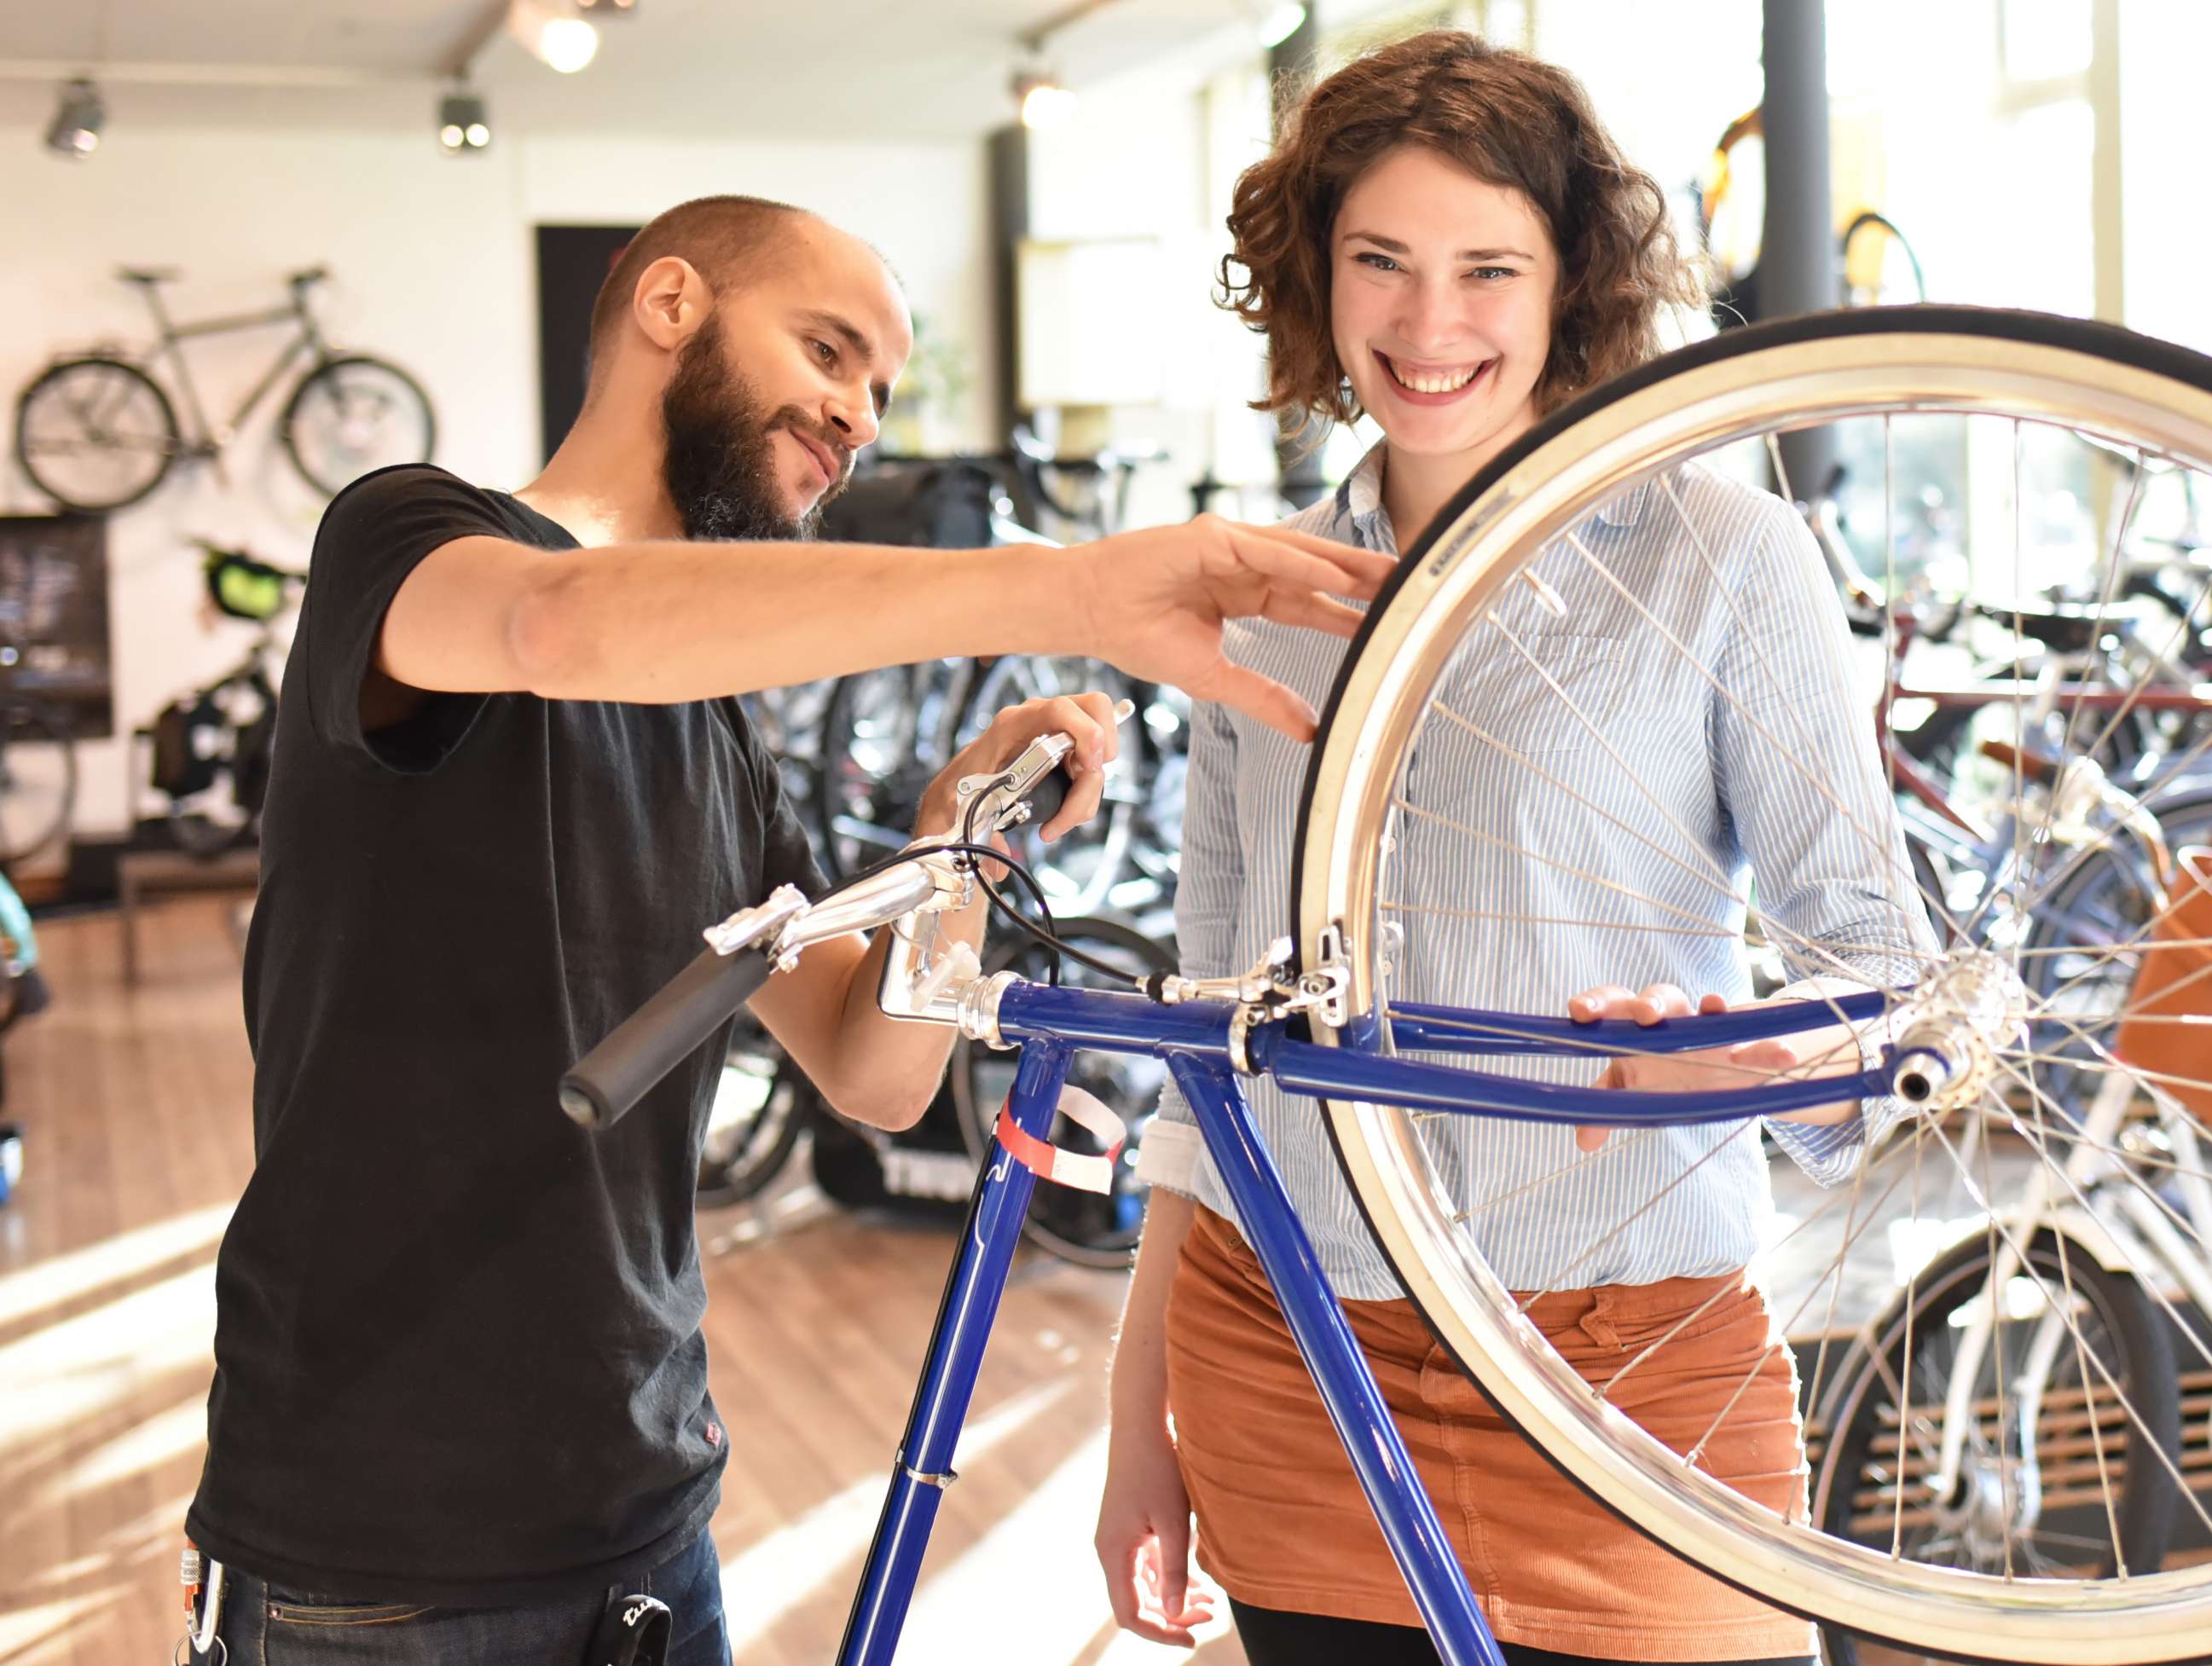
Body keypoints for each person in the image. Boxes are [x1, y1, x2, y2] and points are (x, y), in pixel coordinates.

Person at [185, 194, 1390, 1666]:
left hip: (643, 1511)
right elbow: (553, 630)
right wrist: (1070, 587)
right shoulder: (410, 536)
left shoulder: (716, 736)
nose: (857, 417)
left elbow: (867, 1067)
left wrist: (957, 828)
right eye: (829, 350)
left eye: (881, 388)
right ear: (670, 303)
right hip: (373, 1553)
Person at [1092, 34, 1923, 1666]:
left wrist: (1747, 1061)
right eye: (1379, 263)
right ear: (1314, 282)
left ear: (1569, 284)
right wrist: (1145, 1424)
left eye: (1488, 268)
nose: (1428, 322)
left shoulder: (1723, 554)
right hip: (1292, 1352)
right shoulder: (1255, 593)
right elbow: (1210, 1044)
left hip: (1637, 1355)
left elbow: (1883, 984)